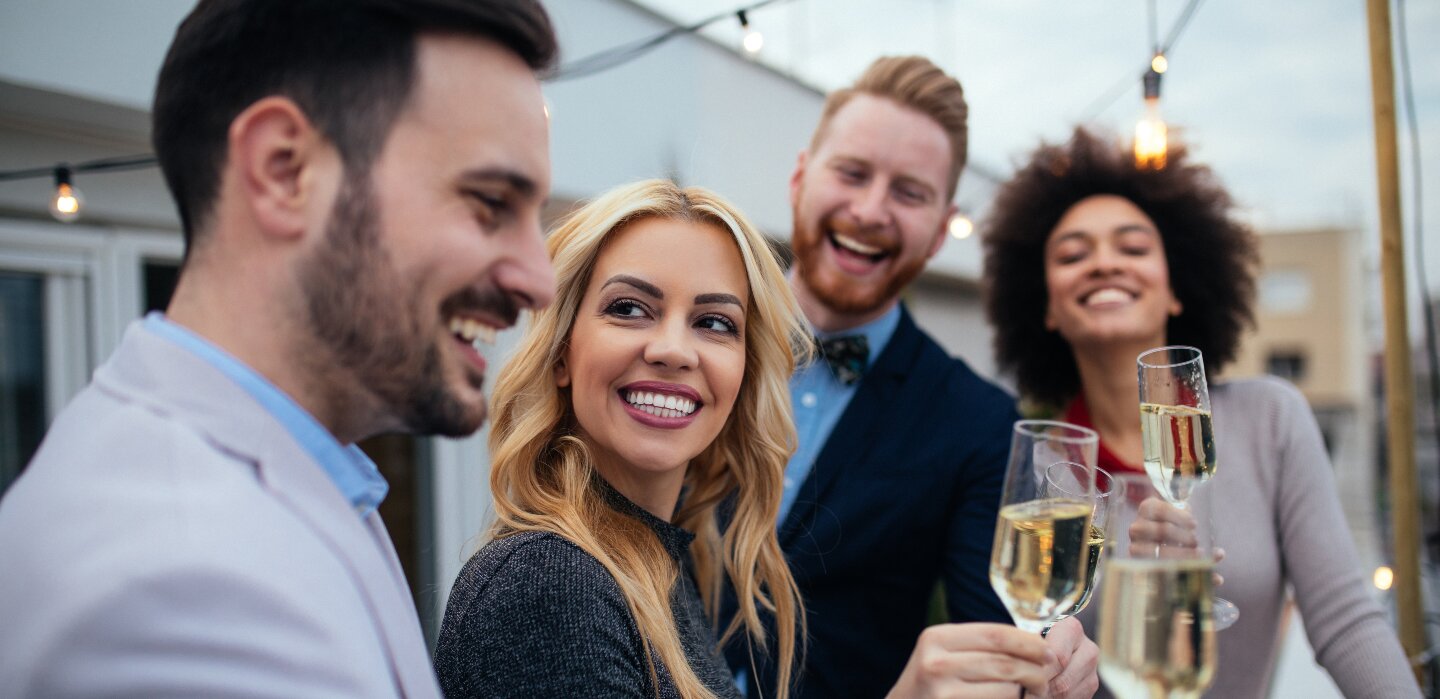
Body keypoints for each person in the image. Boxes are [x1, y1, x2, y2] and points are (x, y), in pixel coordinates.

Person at [0, 1, 558, 696]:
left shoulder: (301, 472)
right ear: (284, 169)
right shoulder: (175, 590)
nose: (540, 281)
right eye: (488, 202)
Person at [981, 126, 1420, 698]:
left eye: (1133, 248)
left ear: (1176, 289)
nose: (1104, 264)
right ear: (1046, 307)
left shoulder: (1271, 419)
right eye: (1072, 255)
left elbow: (1346, 622)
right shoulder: (1033, 466)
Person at [726, 55, 1098, 699]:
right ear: (799, 177)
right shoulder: (690, 340)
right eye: (852, 173)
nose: (871, 210)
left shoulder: (980, 424)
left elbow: (1004, 641)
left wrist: (1056, 664)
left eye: (909, 192)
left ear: (937, 232)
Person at [432, 180, 807, 699]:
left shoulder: (662, 565)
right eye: (629, 309)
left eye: (715, 322)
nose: (674, 351)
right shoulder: (550, 582)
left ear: (745, 370)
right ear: (561, 351)